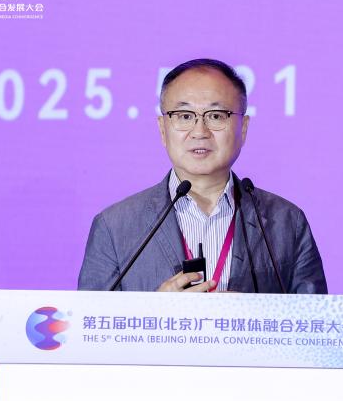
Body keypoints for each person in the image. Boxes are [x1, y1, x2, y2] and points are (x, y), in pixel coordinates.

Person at [78, 58, 327, 293]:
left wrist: (253, 314)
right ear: (163, 129)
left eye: (216, 116)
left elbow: (314, 318)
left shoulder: (286, 222)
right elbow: (88, 321)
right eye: (185, 116)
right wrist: (154, 312)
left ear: (243, 129)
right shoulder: (114, 226)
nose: (200, 131)